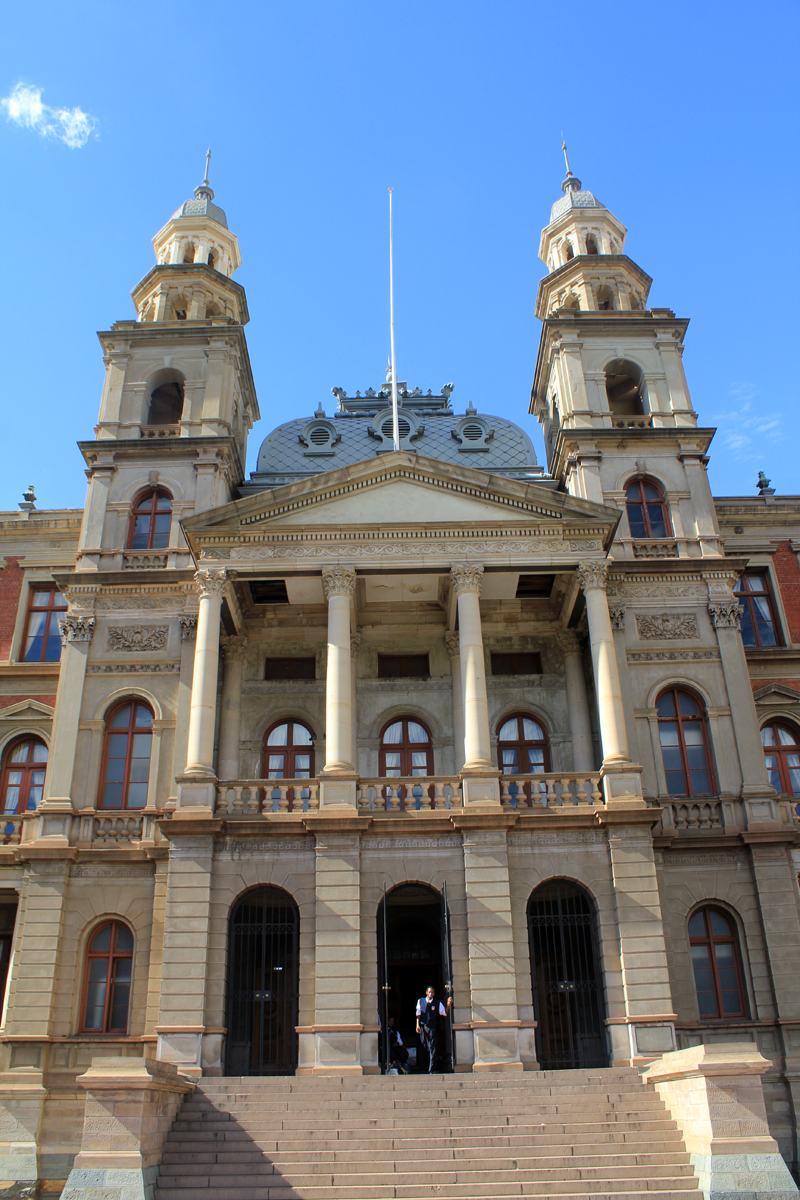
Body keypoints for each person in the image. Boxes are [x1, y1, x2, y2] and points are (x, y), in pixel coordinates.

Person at [415, 985, 452, 1074]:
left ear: (434, 994)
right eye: (429, 992)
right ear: (426, 993)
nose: (431, 994)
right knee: (425, 1047)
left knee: (432, 1047)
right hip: (424, 1026)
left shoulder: (437, 1003)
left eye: (432, 992)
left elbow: (444, 1013)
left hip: (432, 1027)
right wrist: (417, 1025)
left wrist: (448, 1004)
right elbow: (418, 1014)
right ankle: (425, 1066)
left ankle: (431, 1068)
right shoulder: (421, 1001)